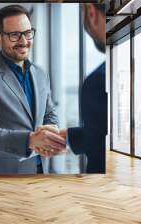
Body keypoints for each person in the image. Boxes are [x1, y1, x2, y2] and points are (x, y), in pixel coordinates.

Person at [0, 5, 66, 174]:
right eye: (14, 35)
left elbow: (49, 113)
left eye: (27, 33)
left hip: (41, 170)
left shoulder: (40, 74)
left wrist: (51, 136)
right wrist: (30, 140)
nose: (24, 41)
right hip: (2, 175)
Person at [40, 3, 107, 173]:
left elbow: (98, 145)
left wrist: (67, 138)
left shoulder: (98, 80)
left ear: (91, 12)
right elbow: (105, 134)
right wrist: (66, 137)